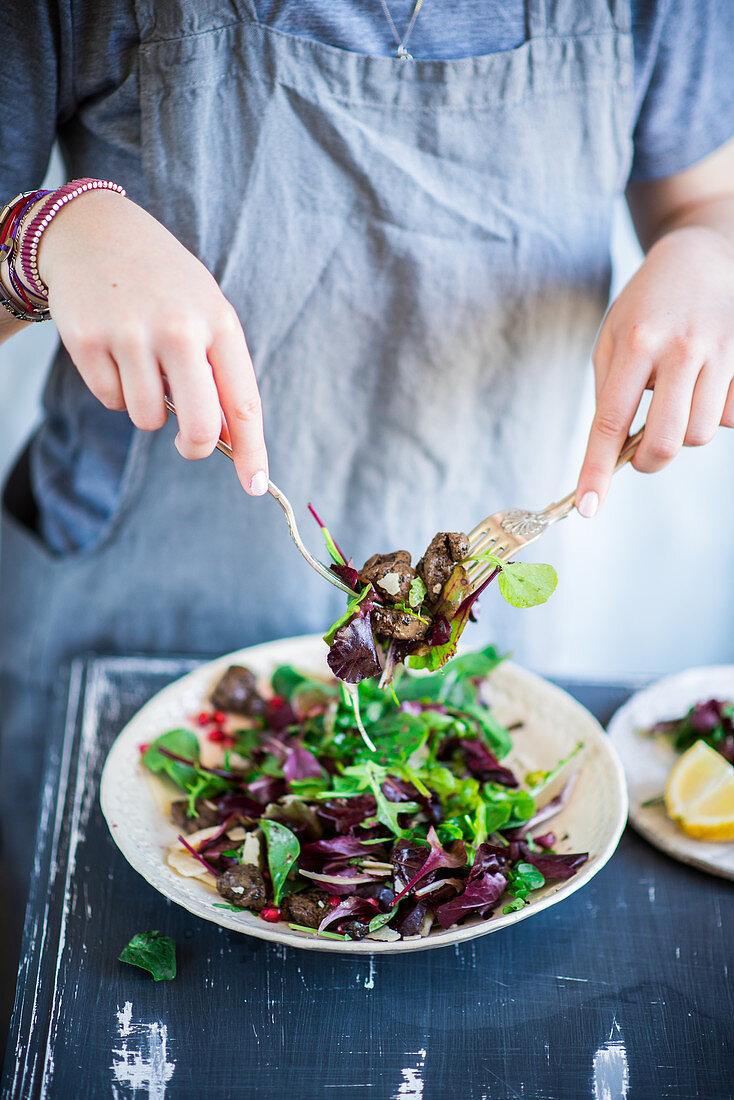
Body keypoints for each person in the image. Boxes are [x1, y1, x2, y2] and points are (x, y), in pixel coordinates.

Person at [1, 0, 733, 1034]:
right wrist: (44, 234)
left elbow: (707, 194)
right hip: (117, 618)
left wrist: (710, 253)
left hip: (457, 671)